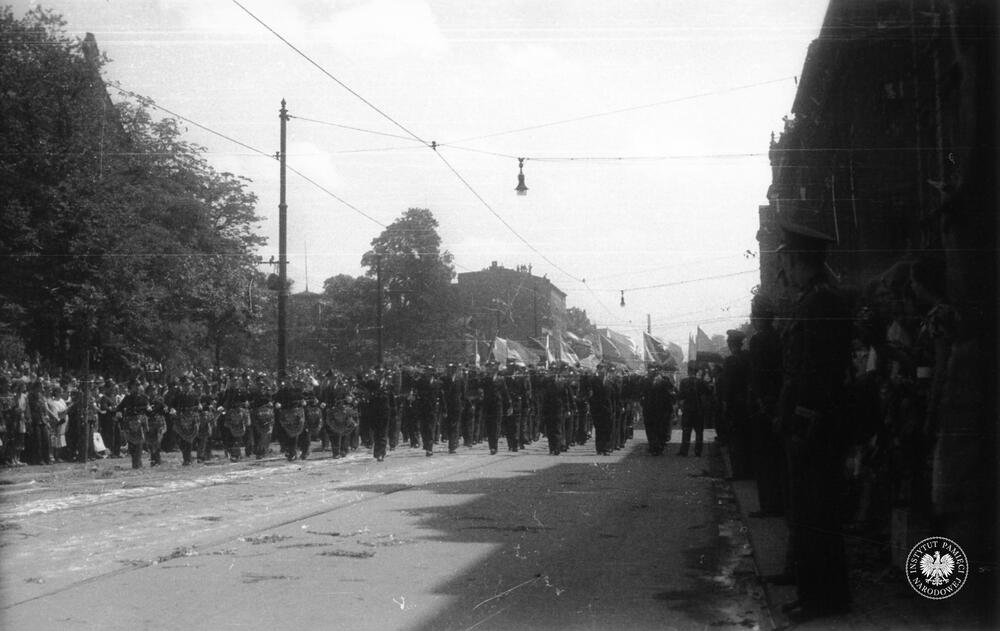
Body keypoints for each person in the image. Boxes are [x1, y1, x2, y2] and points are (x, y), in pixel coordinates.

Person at [775, 221, 852, 620]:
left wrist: (802, 424)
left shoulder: (822, 303)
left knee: (817, 516)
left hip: (817, 427)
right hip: (811, 424)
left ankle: (824, 598)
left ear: (797, 259)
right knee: (810, 516)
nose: (784, 269)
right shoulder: (814, 299)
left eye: (786, 258)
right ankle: (816, 593)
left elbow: (819, 374)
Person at [722, 329, 752, 478]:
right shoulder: (749, 357)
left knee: (735, 439)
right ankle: (749, 470)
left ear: (730, 344)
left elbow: (728, 385)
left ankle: (738, 471)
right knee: (748, 438)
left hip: (735, 404)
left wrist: (726, 403)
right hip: (749, 402)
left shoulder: (730, 361)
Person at [117, 378, 150, 469]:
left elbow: (147, 408)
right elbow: (119, 407)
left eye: (138, 385)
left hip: (139, 422)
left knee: (139, 443)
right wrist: (119, 413)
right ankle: (135, 462)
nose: (137, 387)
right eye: (136, 385)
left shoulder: (144, 397)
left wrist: (147, 409)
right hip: (129, 422)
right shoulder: (127, 398)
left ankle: (137, 463)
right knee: (131, 444)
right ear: (131, 387)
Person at [676, 365, 709, 456]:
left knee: (686, 430)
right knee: (699, 432)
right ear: (696, 372)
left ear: (688, 372)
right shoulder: (701, 382)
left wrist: (680, 407)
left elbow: (680, 396)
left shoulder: (684, 382)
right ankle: (698, 452)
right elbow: (706, 395)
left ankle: (684, 451)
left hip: (687, 409)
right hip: (698, 410)